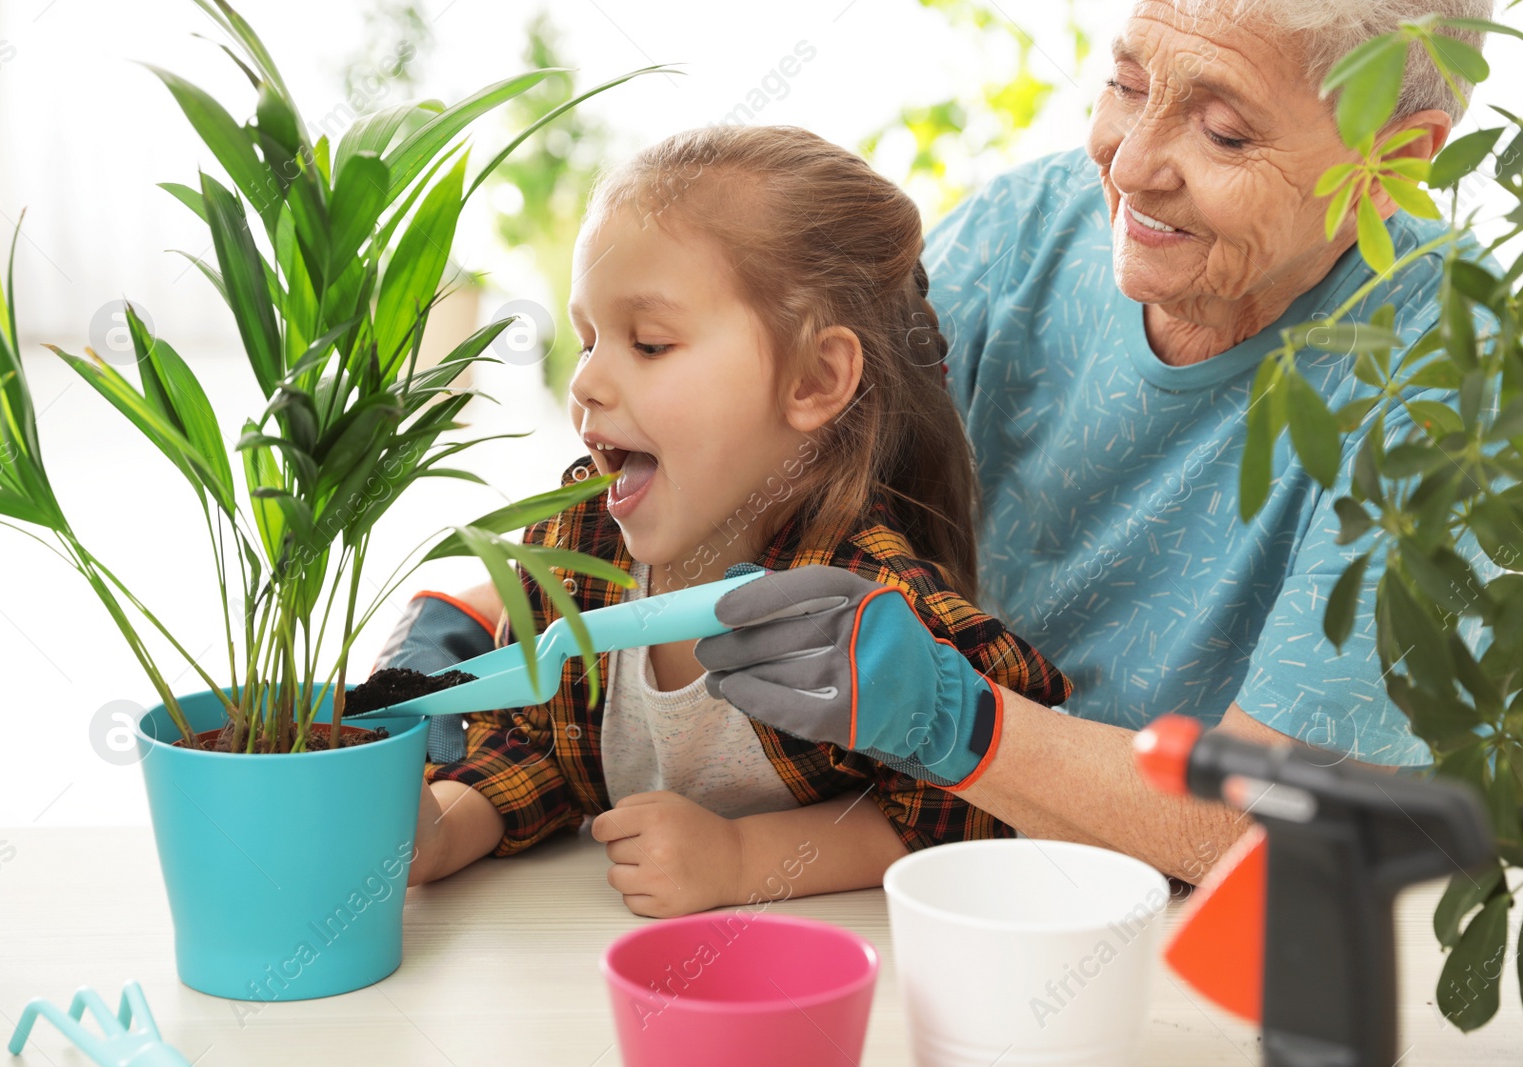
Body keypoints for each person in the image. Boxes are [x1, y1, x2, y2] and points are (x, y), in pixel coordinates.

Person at [394, 0, 1494, 887]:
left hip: (1168, 925)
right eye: (1124, 82)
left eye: (1222, 131)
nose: (1128, 163)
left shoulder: (1457, 384)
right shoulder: (1031, 231)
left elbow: (1261, 825)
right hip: (929, 896)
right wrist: (493, 604)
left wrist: (954, 719)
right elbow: (772, 440)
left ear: (1394, 159)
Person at [396, 124, 1071, 916]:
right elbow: (538, 749)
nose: (586, 383)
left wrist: (744, 857)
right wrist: (438, 831)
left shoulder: (861, 605)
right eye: (586, 340)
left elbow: (983, 802)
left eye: (648, 343)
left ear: (817, 378)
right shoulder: (575, 553)